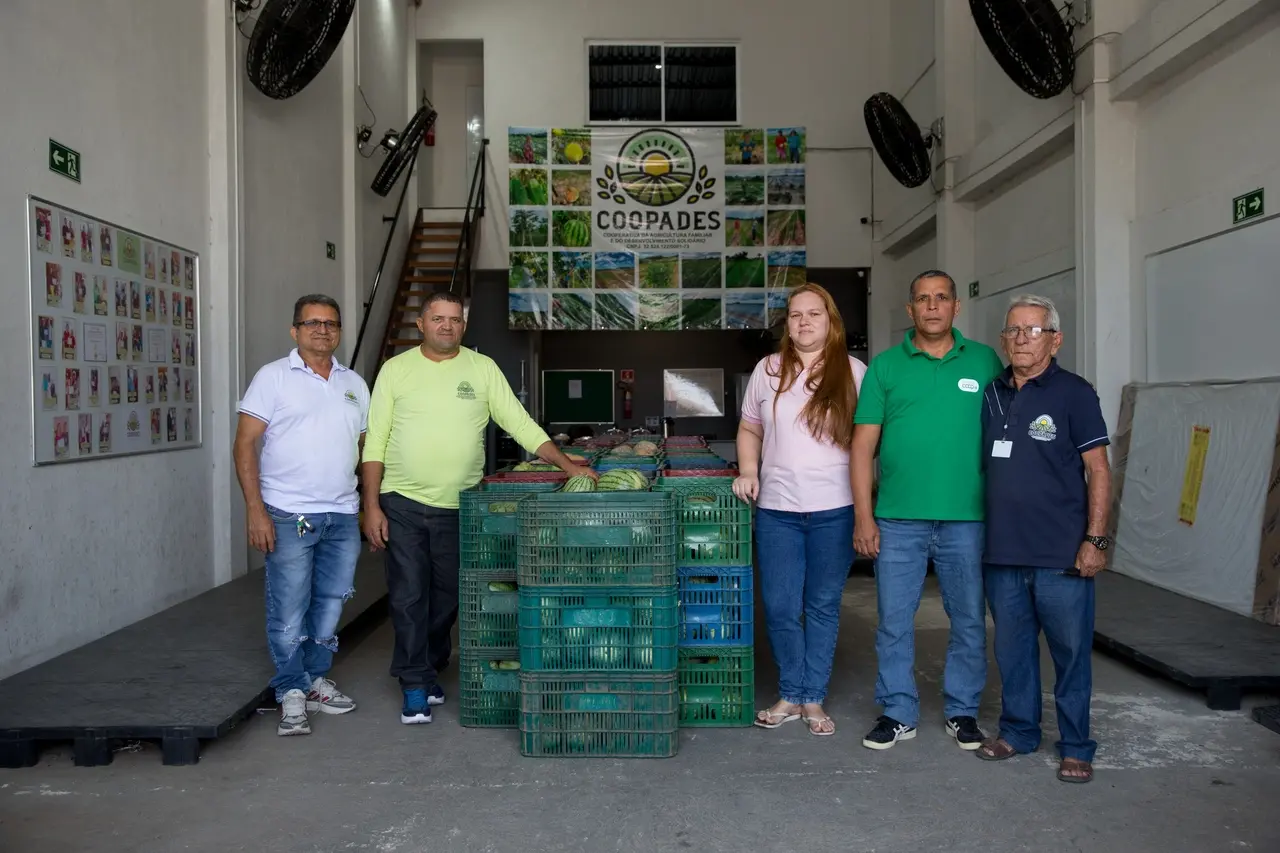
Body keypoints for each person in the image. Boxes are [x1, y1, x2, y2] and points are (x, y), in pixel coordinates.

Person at [361, 290, 596, 725]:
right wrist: (370, 504)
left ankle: (428, 665)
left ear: (463, 326)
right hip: (403, 501)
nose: (446, 326)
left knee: (449, 597)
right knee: (409, 595)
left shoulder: (482, 368)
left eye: (454, 319)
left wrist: (565, 463)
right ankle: (413, 682)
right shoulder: (395, 371)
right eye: (438, 318)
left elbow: (519, 422)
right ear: (422, 324)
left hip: (462, 506)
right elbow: (375, 439)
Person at [852, 270, 1004, 751]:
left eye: (942, 298)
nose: (933, 306)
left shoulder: (984, 361)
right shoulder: (885, 367)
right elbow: (861, 448)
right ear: (910, 310)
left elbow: (1008, 438)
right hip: (899, 519)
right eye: (923, 299)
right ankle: (898, 710)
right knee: (895, 620)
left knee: (968, 620)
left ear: (956, 306)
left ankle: (962, 711)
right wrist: (864, 516)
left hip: (968, 519)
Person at [974, 294, 1111, 784]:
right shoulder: (991, 394)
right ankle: (1018, 731)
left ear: (1055, 339)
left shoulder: (1074, 393)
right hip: (1003, 553)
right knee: (1012, 652)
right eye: (1012, 330)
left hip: (1060, 555)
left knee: (1070, 655)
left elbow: (1097, 469)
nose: (1020, 339)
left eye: (1032, 330)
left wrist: (1095, 539)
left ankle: (1076, 744)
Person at [233, 294, 370, 737]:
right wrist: (255, 509)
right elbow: (244, 444)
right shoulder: (273, 378)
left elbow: (367, 449)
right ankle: (290, 688)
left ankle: (314, 680)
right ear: (295, 331)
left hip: (342, 513)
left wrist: (369, 504)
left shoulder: (354, 383)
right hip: (290, 513)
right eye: (312, 323)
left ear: (339, 331)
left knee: (331, 604)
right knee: (290, 606)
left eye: (330, 323)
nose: (322, 330)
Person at [734, 283, 867, 737]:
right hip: (777, 510)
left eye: (814, 314)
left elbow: (869, 443)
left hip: (836, 508)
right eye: (795, 315)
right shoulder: (767, 370)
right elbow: (750, 428)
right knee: (781, 605)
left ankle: (812, 698)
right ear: (786, 324)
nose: (804, 322)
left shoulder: (853, 372)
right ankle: (791, 692)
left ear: (830, 321)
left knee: (823, 605)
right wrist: (749, 470)